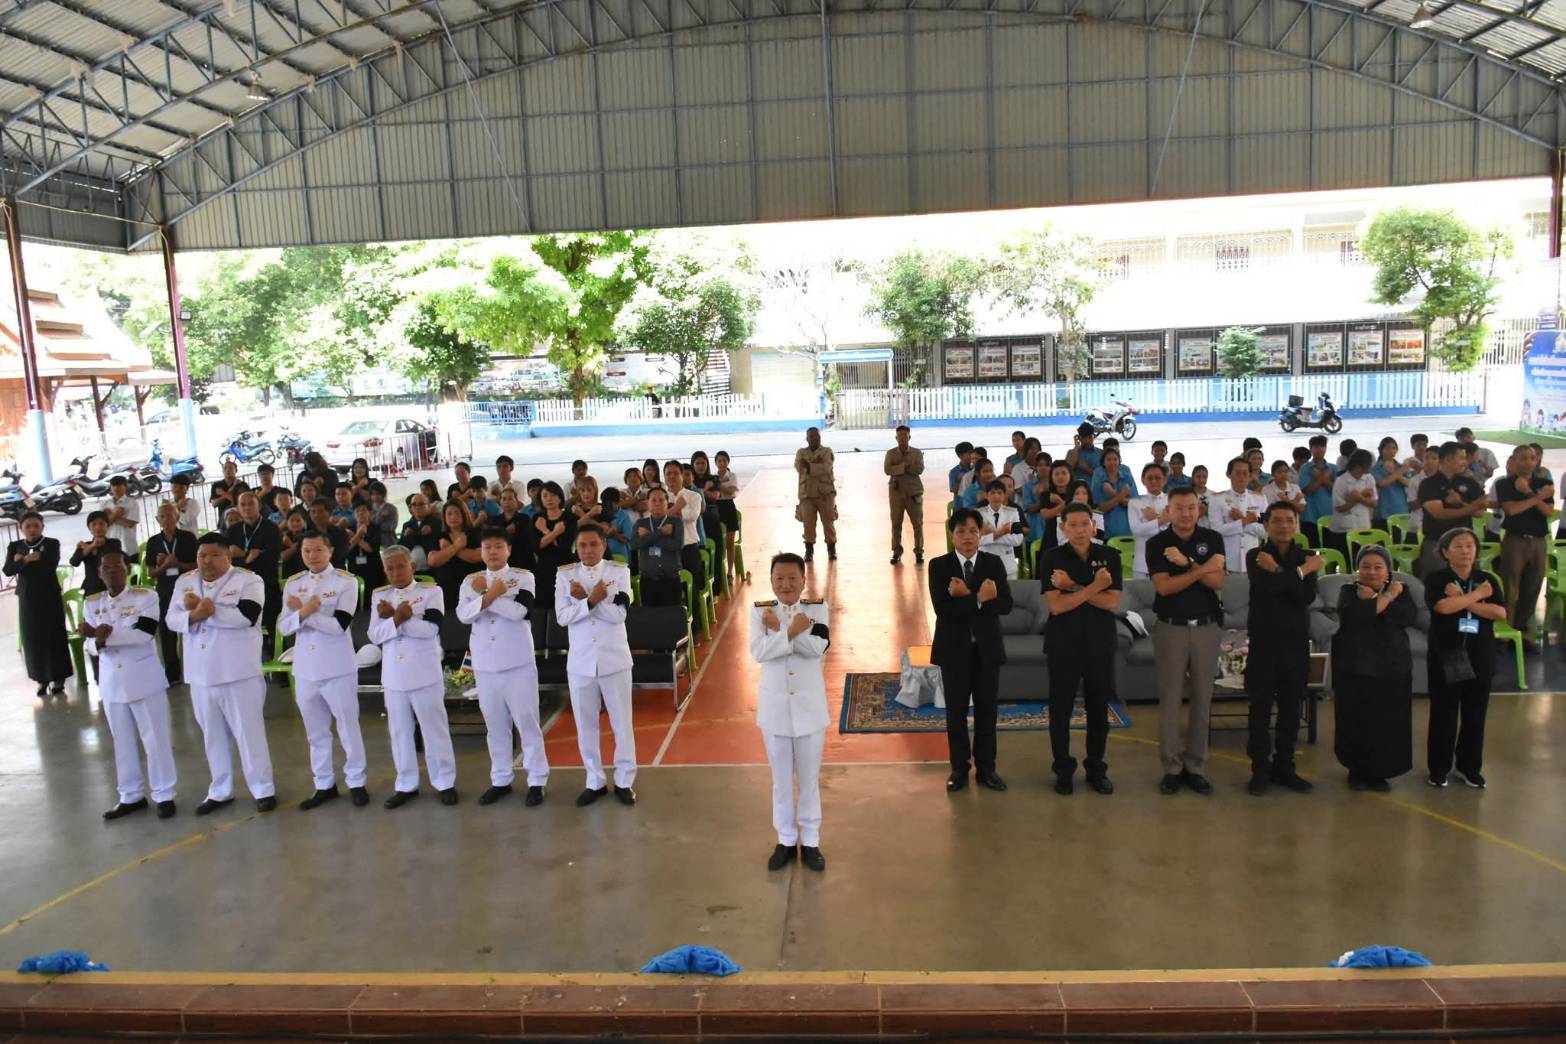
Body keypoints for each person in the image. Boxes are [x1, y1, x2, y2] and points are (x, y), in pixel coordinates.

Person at [166, 533, 276, 815]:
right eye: (202, 555)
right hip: (200, 675)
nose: (207, 561)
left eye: (214, 555)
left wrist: (209, 612)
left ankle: (262, 789)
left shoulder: (249, 580)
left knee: (249, 734)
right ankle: (220, 790)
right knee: (212, 737)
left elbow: (246, 617)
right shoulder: (185, 581)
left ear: (228, 556)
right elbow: (171, 619)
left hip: (238, 672)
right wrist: (194, 616)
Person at [82, 540, 178, 820]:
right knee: (121, 741)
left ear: (128, 569)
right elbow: (88, 645)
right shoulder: (93, 603)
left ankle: (164, 793)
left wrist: (103, 637)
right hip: (112, 681)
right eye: (107, 567)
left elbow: (143, 634)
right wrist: (96, 641)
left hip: (143, 679)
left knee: (155, 739)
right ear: (99, 572)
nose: (113, 571)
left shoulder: (145, 597)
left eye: (118, 565)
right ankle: (130, 795)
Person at [748, 552, 831, 873]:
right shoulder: (760, 612)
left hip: (810, 710)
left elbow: (818, 648)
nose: (786, 584)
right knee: (780, 781)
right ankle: (785, 839)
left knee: (809, 780)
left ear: (803, 581)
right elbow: (759, 652)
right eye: (779, 578)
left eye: (792, 578)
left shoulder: (817, 609)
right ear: (771, 581)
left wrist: (780, 631)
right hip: (775, 710)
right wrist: (791, 630)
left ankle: (810, 840)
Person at [458, 529, 549, 807]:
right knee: (495, 726)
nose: (492, 552)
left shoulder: (523, 577)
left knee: (527, 723)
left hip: (517, 662)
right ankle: (500, 779)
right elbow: (464, 615)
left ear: (508, 549)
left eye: (498, 546)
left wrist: (485, 597)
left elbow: (519, 612)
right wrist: (490, 595)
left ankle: (537, 779)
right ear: (481, 551)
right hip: (485, 665)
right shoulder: (470, 581)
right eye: (487, 547)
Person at [279, 532, 368, 810]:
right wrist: (305, 612)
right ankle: (324, 784)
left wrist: (304, 614)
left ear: (330, 551)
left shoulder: (345, 582)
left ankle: (356, 781)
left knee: (347, 727)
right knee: (315, 732)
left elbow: (339, 625)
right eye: (306, 551)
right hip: (306, 668)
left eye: (318, 550)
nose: (312, 556)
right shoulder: (294, 583)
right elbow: (284, 627)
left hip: (337, 666)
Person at [1146, 487, 1224, 795]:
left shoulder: (1212, 539)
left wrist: (1187, 563)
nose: (1186, 513)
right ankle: (1172, 767)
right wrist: (1202, 569)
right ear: (1168, 510)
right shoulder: (1157, 544)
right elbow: (1164, 588)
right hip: (1171, 628)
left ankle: (1196, 765)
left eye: (1191, 507)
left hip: (1207, 627)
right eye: (1179, 507)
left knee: (1203, 698)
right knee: (1170, 699)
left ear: (1199, 509)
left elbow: (1217, 581)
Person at [1040, 503, 1122, 796]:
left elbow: (1112, 602)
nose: (1079, 530)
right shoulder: (1052, 557)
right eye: (1072, 525)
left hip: (1100, 643)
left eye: (1084, 524)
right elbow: (1057, 606)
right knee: (1060, 710)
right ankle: (1063, 770)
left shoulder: (1109, 555)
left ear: (1093, 526)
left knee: (1098, 710)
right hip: (1063, 644)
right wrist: (1093, 587)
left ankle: (1096, 768)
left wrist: (1073, 586)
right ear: (1063, 528)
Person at [929, 508, 1012, 793]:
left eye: (973, 531)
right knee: (956, 713)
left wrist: (966, 597)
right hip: (954, 651)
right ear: (952, 536)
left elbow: (1005, 605)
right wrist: (979, 599)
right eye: (961, 531)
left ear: (981, 535)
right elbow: (943, 609)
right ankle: (959, 769)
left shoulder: (993, 563)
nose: (967, 537)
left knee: (988, 711)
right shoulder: (939, 566)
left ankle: (987, 769)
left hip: (987, 649)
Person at [369, 546, 458, 808]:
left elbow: (430, 629)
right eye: (390, 568)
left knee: (434, 730)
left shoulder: (431, 592)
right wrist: (398, 618)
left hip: (424, 673)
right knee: (399, 732)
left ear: (413, 567)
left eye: (400, 566)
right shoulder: (380, 596)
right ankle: (406, 784)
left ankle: (444, 781)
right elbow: (374, 635)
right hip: (394, 676)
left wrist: (396, 620)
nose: (396, 572)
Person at [555, 525, 637, 807]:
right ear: (576, 548)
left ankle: (624, 780)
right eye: (582, 545)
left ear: (603, 545)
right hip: (581, 662)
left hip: (614, 659)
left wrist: (587, 602)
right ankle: (594, 780)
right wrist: (591, 601)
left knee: (621, 724)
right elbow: (562, 617)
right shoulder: (565, 575)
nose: (588, 550)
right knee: (585, 725)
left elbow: (618, 616)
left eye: (593, 544)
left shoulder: (619, 572)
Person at [1243, 502, 1321, 796]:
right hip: (1263, 643)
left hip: (1295, 643)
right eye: (1277, 520)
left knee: (1291, 709)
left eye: (1290, 520)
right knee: (1259, 709)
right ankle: (1260, 770)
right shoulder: (1256, 555)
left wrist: (1280, 571)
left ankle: (1285, 767)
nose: (1284, 526)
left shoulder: (1307, 556)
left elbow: (1304, 597)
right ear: (1266, 525)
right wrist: (1300, 572)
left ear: (1296, 524)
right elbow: (1270, 588)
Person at [1425, 528, 1507, 789]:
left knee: (1475, 713)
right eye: (1458, 546)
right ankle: (1438, 768)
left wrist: (1464, 600)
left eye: (1470, 546)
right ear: (1445, 552)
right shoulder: (1437, 579)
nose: (1465, 551)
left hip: (1480, 654)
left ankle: (1469, 767)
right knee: (1444, 713)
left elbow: (1499, 613)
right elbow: (1442, 607)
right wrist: (1477, 597)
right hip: (1447, 653)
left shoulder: (1487, 580)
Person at [1331, 546, 1416, 791]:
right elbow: (1357, 616)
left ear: (1388, 570)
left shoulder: (1403, 590)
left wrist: (1378, 602)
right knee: (1356, 720)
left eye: (1378, 567)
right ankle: (1356, 771)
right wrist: (1387, 597)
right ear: (1358, 569)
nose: (1372, 572)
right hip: (1355, 666)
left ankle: (1380, 772)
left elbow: (1407, 617)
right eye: (1366, 567)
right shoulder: (1349, 591)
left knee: (1387, 722)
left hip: (1392, 665)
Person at [5, 512, 72, 696]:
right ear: (21, 528)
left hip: (49, 596)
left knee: (54, 635)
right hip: (28, 598)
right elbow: (8, 570)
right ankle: (41, 679)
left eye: (36, 525)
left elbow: (49, 567)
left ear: (42, 526)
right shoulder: (15, 546)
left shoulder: (51, 544)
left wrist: (22, 563)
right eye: (28, 526)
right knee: (33, 638)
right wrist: (27, 560)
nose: (32, 529)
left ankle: (59, 678)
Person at [1495, 445, 1553, 634]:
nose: (1528, 462)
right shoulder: (1505, 484)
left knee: (1533, 586)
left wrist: (1529, 493)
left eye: (1532, 458)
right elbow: (1512, 510)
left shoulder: (1544, 482)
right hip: (1515, 540)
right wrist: (1539, 497)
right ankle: (1507, 630)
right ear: (1514, 460)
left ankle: (1522, 628)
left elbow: (1548, 511)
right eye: (1523, 458)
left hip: (1538, 541)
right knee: (1510, 587)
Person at [1416, 442, 1488, 577]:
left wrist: (1460, 503)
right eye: (1461, 458)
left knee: (1467, 581)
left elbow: (1480, 512)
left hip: (1465, 544)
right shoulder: (1428, 484)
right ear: (1448, 460)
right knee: (1436, 582)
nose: (1465, 462)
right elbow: (1439, 514)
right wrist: (1472, 507)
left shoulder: (1469, 482)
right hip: (1437, 542)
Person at [146, 501, 197, 685]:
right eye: (162, 516)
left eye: (170, 515)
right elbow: (151, 573)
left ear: (177, 517)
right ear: (157, 519)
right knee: (166, 630)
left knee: (193, 627)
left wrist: (178, 564)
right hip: (165, 589)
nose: (167, 519)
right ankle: (172, 674)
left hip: (188, 589)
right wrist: (165, 566)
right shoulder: (153, 542)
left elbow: (198, 565)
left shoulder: (188, 538)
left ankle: (194, 669)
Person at [226, 492, 282, 647]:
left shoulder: (271, 528)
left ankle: (275, 654)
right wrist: (249, 556)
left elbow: (271, 557)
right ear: (238, 507)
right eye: (242, 504)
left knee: (273, 627)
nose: (247, 508)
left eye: (251, 503)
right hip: (240, 588)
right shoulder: (233, 531)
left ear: (259, 506)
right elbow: (227, 560)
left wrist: (242, 556)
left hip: (266, 584)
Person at [1209, 459, 1266, 572]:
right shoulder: (1217, 499)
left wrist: (1241, 519)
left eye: (1245, 473)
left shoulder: (1259, 499)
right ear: (1228, 474)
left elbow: (1265, 531)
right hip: (1227, 559)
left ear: (1250, 476)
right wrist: (1244, 521)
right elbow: (1216, 530)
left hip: (1252, 561)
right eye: (1237, 473)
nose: (1242, 477)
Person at [428, 500, 483, 617]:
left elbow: (476, 556)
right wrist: (456, 546)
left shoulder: (475, 533)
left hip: (472, 586)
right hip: (448, 588)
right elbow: (433, 561)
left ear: (464, 514)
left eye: (457, 513)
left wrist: (448, 549)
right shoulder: (440, 535)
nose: (453, 517)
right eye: (449, 514)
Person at [530, 481, 577, 615]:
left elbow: (564, 546)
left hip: (565, 566)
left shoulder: (569, 518)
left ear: (560, 497)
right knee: (543, 606)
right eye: (545, 496)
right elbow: (537, 547)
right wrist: (554, 532)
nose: (549, 499)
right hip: (544, 568)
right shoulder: (537, 518)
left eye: (552, 495)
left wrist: (545, 531)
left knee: (566, 605)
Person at [633, 487, 684, 607]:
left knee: (671, 615)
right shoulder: (640, 523)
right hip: (647, 581)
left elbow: (676, 545)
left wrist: (648, 536)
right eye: (653, 500)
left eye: (661, 500)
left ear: (667, 503)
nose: (657, 503)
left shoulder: (675, 522)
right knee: (650, 616)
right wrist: (661, 533)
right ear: (648, 503)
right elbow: (634, 545)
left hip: (671, 579)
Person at [794, 426, 838, 561]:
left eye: (817, 436)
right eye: (811, 436)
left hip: (825, 494)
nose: (815, 438)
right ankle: (809, 551)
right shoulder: (801, 452)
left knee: (828, 522)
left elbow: (825, 467)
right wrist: (814, 464)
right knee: (808, 524)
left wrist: (809, 466)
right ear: (807, 439)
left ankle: (831, 549)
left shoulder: (827, 451)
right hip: (807, 494)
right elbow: (799, 467)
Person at [884, 425, 925, 566]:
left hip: (914, 492)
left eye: (905, 436)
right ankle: (896, 551)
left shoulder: (917, 453)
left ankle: (919, 551)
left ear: (909, 437)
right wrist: (905, 466)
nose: (902, 439)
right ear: (896, 438)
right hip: (896, 493)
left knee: (917, 524)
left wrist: (898, 468)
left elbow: (919, 469)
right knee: (896, 523)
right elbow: (887, 470)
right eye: (900, 436)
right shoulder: (890, 453)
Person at [1328, 449, 1378, 554]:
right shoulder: (1341, 480)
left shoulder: (1369, 478)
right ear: (1356, 465)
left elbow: (1374, 503)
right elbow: (1339, 507)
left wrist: (1359, 497)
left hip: (1363, 525)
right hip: (1343, 529)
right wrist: (1361, 496)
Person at [1128, 462, 1170, 580]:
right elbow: (1136, 530)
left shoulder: (1171, 500)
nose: (1153, 481)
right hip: (1142, 563)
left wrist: (1154, 519)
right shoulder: (1135, 502)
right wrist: (1161, 520)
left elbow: (1175, 529)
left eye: (1158, 478)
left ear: (1165, 480)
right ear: (1143, 480)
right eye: (1150, 478)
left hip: (1168, 560)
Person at [976, 479, 1025, 578]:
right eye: (992, 493)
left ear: (1004, 495)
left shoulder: (1013, 513)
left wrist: (991, 534)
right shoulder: (979, 514)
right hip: (985, 564)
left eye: (999, 493)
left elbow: (1018, 540)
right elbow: (977, 540)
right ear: (986, 495)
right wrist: (1002, 532)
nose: (996, 496)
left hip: (1007, 564)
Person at [1091, 448, 1137, 539]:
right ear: (1103, 462)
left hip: (1128, 529)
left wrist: (1112, 494)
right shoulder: (1099, 481)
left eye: (1115, 459)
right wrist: (1122, 494)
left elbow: (1134, 504)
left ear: (1119, 461)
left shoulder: (1128, 478)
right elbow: (1100, 508)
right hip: (1106, 530)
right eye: (1108, 460)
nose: (1112, 462)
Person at [1299, 435, 1336, 542]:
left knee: (1331, 546)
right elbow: (1307, 490)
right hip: (1310, 517)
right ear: (1311, 449)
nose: (1320, 449)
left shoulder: (1334, 468)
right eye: (1316, 447)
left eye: (1322, 446)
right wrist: (1324, 477)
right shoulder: (1305, 468)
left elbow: (1336, 491)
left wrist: (1320, 477)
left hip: (1331, 516)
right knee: (1313, 547)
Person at [1372, 437, 1415, 524]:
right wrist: (1400, 472)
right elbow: (1382, 483)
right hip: (1383, 508)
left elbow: (1409, 483)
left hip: (1401, 507)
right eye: (1387, 448)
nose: (1391, 451)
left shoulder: (1400, 467)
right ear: (1381, 450)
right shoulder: (1376, 468)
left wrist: (1393, 473)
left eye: (1394, 448)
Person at [345, 501, 386, 593]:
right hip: (354, 568)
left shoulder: (375, 528)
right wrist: (358, 535)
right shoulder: (349, 529)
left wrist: (355, 537)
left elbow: (371, 549)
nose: (360, 513)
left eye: (363, 510)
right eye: (357, 511)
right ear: (353, 514)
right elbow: (346, 550)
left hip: (373, 568)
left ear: (369, 513)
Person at [71, 511, 112, 598]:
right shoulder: (85, 545)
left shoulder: (114, 543)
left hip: (110, 587)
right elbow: (74, 562)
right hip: (91, 588)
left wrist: (87, 547)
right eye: (94, 524)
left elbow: (104, 559)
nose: (98, 527)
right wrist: (92, 546)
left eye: (101, 524)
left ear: (107, 526)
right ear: (89, 528)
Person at [399, 491, 444, 569]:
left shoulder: (436, 522)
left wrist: (411, 535)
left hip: (432, 568)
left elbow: (431, 544)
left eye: (421, 504)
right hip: (411, 569)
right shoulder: (407, 525)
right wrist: (420, 534)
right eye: (414, 504)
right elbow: (402, 547)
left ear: (428, 506)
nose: (417, 507)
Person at [104, 474, 140, 562]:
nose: (116, 488)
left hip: (129, 547)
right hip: (110, 548)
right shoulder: (105, 504)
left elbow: (129, 524)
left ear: (125, 486)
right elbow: (104, 524)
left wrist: (111, 516)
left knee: (132, 569)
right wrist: (116, 514)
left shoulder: (132, 503)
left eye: (119, 485)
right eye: (113, 485)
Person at [367, 480, 398, 548]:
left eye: (378, 494)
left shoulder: (391, 508)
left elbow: (391, 526)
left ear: (383, 494)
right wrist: (380, 516)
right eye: (373, 494)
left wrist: (374, 521)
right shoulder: (369, 507)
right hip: (372, 541)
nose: (375, 496)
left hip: (388, 540)